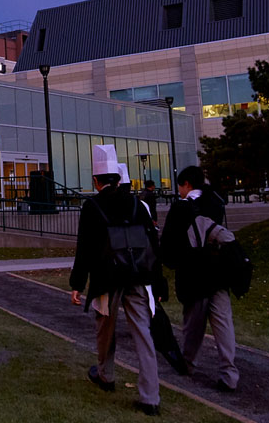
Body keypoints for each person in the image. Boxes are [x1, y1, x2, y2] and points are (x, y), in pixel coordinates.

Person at [70, 145, 165, 416]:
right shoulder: (138, 204)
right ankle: (150, 396)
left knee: (105, 329)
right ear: (119, 177)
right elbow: (152, 245)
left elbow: (84, 248)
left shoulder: (92, 206)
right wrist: (158, 284)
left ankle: (106, 375)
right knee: (143, 333)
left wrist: (77, 283)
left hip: (107, 277)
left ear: (96, 181)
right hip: (138, 274)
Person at [160, 165, 239, 393]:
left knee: (193, 324)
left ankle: (188, 362)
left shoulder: (181, 208)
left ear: (187, 184)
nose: (179, 191)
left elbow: (169, 244)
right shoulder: (215, 202)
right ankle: (229, 373)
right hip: (219, 271)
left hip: (193, 273)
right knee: (223, 323)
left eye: (180, 186)